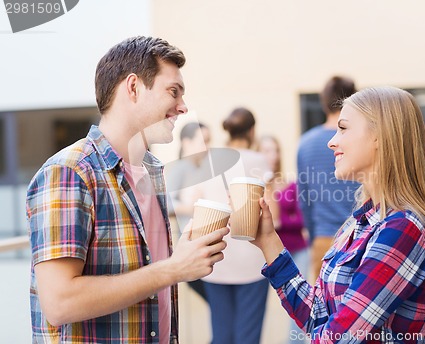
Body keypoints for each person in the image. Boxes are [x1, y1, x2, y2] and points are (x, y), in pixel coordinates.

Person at [26, 36, 229, 344]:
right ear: (133, 88)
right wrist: (173, 269)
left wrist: (184, 256)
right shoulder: (69, 172)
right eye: (173, 92)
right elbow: (59, 303)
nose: (183, 107)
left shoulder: (153, 171)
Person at [253, 86, 425, 342]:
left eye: (343, 128)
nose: (332, 141)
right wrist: (268, 241)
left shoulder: (402, 229)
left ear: (380, 135)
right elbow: (317, 317)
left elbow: (339, 338)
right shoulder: (360, 223)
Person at [200, 107, 271, 344]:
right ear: (252, 131)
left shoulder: (208, 160)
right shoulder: (260, 160)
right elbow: (272, 210)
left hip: (216, 257)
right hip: (251, 262)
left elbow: (197, 202)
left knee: (221, 334)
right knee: (247, 336)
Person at [297, 76, 360, 280]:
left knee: (323, 307)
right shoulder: (360, 140)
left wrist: (313, 237)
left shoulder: (306, 144)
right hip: (362, 236)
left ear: (323, 102)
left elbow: (304, 199)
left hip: (324, 238)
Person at [258, 135, 309, 344]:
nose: (273, 155)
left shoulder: (289, 184)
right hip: (266, 254)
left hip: (297, 250)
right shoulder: (256, 186)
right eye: (267, 150)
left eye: (275, 150)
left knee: (300, 302)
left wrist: (279, 223)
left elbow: (302, 218)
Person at [167, 122, 212, 302]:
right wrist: (194, 207)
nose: (207, 147)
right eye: (203, 141)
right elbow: (165, 203)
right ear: (186, 143)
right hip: (193, 248)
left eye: (209, 141)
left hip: (204, 244)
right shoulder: (180, 169)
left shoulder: (200, 169)